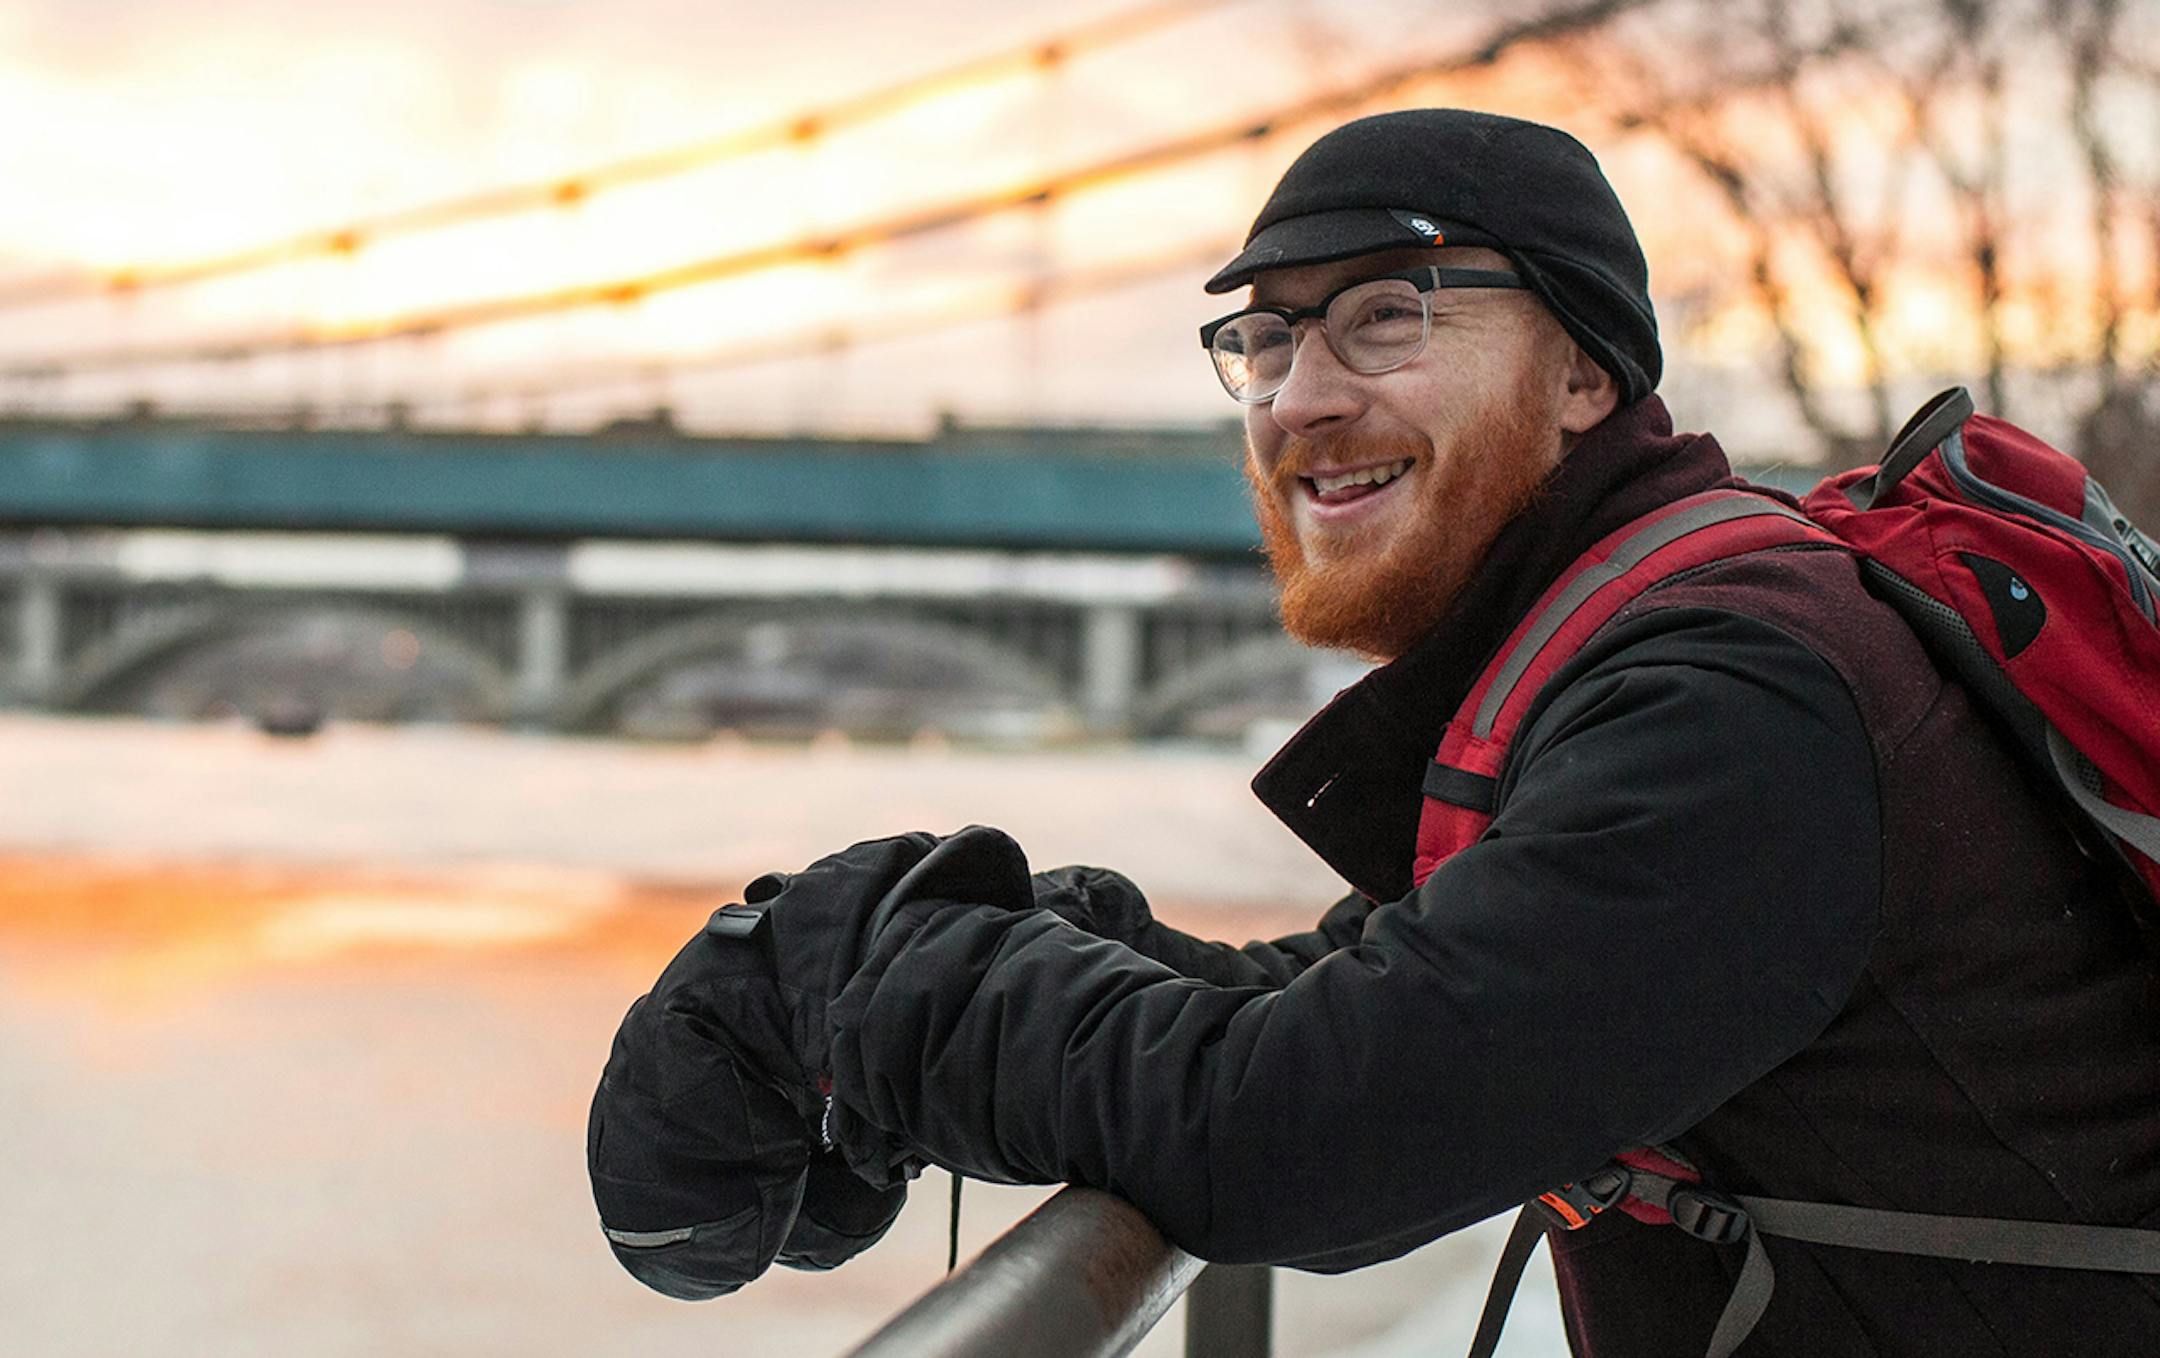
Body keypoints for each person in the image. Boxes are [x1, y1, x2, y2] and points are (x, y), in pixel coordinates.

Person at [598, 109, 2160, 1354]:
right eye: (1267, 343)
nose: (1297, 399)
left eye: (1384, 318)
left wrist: (861, 978)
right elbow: (1369, 997)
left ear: (1583, 372)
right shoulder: (1638, 643)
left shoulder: (1735, 701)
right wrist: (979, 938)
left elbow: (1305, 1125)